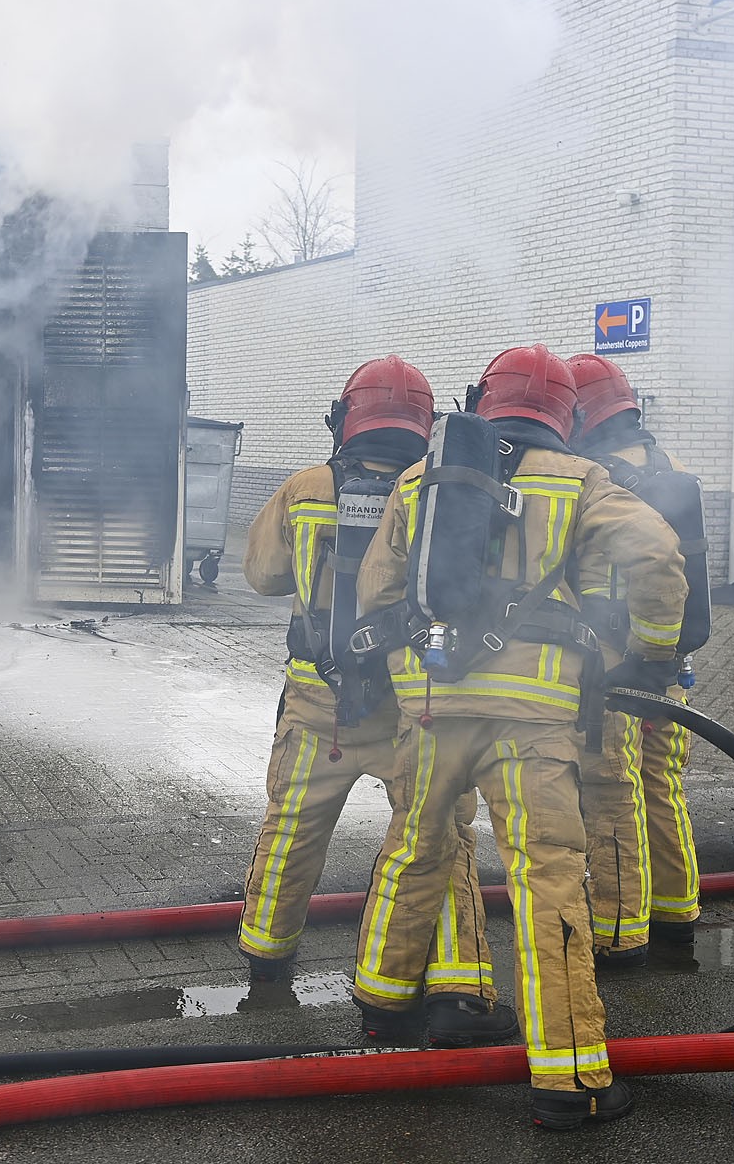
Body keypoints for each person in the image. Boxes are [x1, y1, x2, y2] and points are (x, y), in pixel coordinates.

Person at [348, 344, 686, 1129]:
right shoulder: (581, 480)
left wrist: (401, 678)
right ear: (564, 415)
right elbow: (659, 552)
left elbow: (378, 591)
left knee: (415, 845)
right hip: (532, 720)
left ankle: (385, 1003)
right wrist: (654, 651)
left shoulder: (419, 477)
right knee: (547, 876)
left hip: (431, 703)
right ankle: (570, 1079)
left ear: (485, 399)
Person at [239, 355, 517, 1048]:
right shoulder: (440, 487)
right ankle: (456, 991)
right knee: (437, 839)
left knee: (292, 827)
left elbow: (264, 576)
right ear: (425, 420)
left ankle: (267, 955)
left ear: (344, 419)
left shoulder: (305, 487)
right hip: (416, 707)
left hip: (318, 703)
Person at [568, 353, 703, 958]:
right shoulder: (672, 469)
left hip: (611, 665)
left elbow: (584, 577)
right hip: (669, 665)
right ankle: (676, 918)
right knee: (661, 786)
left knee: (609, 791)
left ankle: (621, 933)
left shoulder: (590, 478)